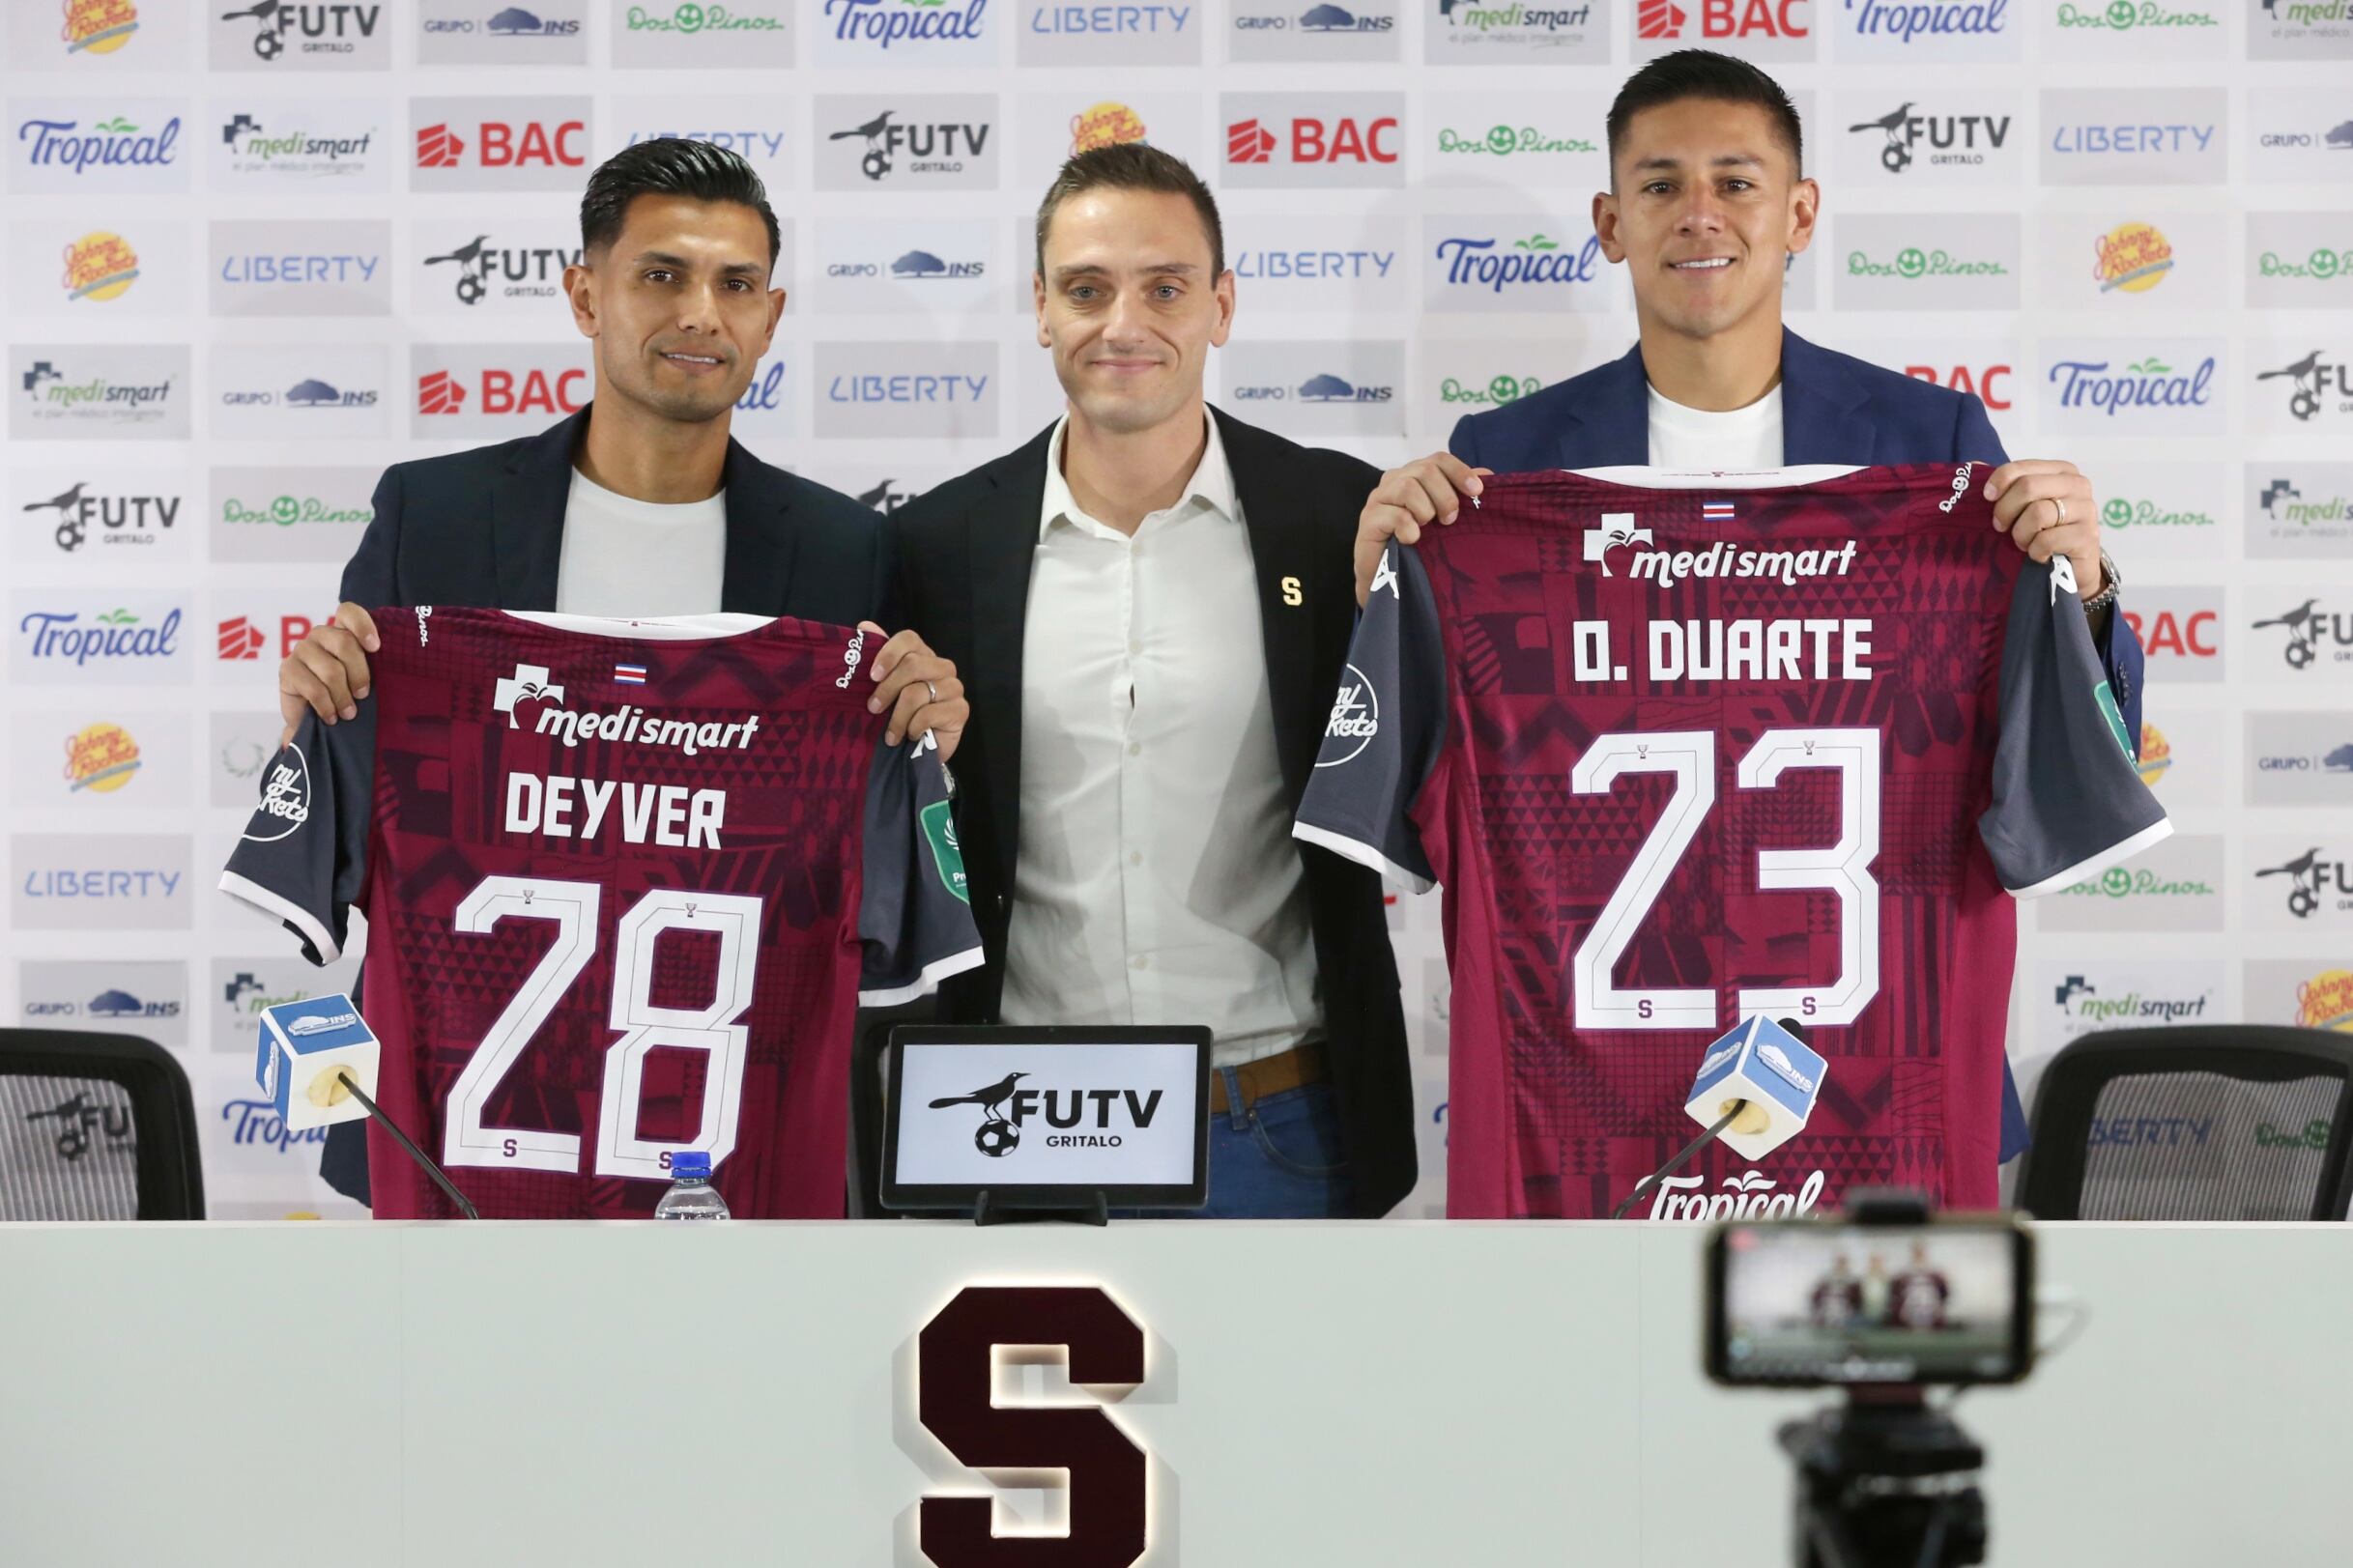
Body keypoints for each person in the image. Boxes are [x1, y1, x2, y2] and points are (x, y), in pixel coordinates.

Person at [1354, 49, 2145, 1161]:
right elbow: (1433, 778)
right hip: (1599, 1088)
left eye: (1734, 181)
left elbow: (2056, 742)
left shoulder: (1933, 446)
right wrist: (1382, 606)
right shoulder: (1504, 468)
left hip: (1881, 1074)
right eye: (1659, 185)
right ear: (1610, 220)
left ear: (1798, 213)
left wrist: (2087, 592)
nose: (1698, 215)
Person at [273, 139, 966, 1206]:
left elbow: (871, 854)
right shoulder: (435, 516)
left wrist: (930, 735)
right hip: (452, 1125)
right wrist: (310, 711)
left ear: (771, 317)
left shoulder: (847, 554)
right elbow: (347, 784)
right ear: (584, 293)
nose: (701, 313)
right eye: (661, 275)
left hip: (723, 1130)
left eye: (735, 285)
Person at [889, 145, 1415, 1218]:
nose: (1122, 322)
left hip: (1276, 1125)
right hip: (1015, 1121)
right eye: (1085, 289)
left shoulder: (1340, 521)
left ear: (1220, 307)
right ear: (1039, 310)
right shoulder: (933, 548)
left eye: (1164, 287)